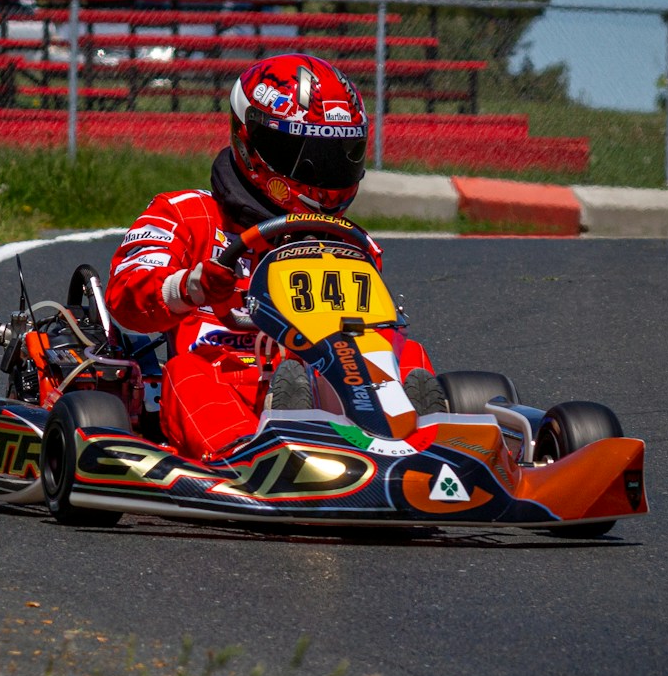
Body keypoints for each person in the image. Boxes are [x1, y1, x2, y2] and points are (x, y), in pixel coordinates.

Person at [106, 53, 434, 461]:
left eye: (336, 157)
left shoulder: (352, 243)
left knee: (409, 354)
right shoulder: (187, 214)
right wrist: (191, 286)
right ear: (252, 141)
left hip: (333, 375)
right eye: (306, 155)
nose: (321, 174)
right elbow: (126, 296)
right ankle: (255, 455)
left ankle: (425, 446)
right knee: (187, 376)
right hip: (226, 373)